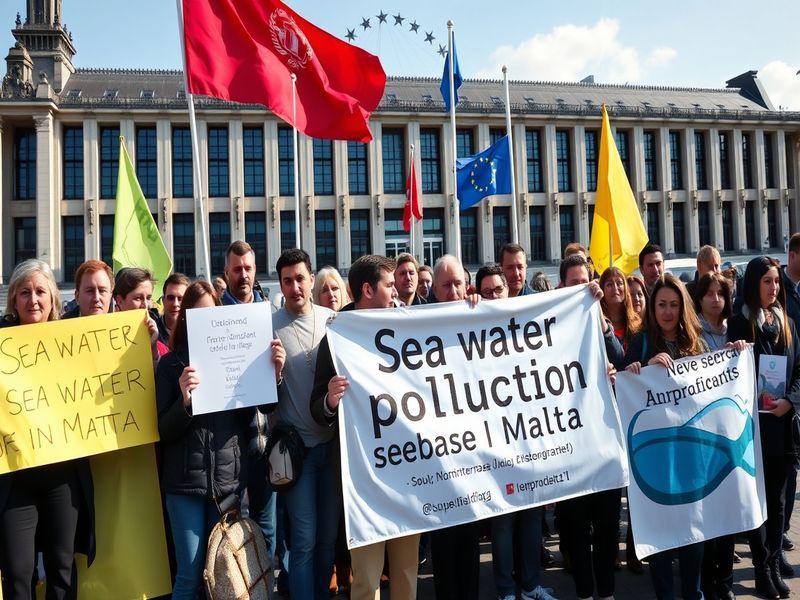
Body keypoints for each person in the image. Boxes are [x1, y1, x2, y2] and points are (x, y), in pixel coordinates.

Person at [156, 281, 285, 600]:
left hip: (226, 486)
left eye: (211, 314)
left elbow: (266, 407)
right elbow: (163, 430)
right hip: (184, 485)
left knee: (224, 576)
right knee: (189, 575)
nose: (205, 322)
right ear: (185, 319)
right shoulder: (171, 366)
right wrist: (184, 402)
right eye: (197, 315)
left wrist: (274, 374)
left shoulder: (236, 356)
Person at [311, 254, 423, 600]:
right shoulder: (335, 339)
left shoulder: (408, 327)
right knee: (367, 577)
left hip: (408, 470)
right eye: (389, 285)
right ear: (367, 290)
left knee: (405, 570)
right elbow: (317, 408)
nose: (396, 292)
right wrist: (329, 399)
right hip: (364, 479)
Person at [0, 259, 96, 600]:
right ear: (13, 300)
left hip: (62, 479)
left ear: (54, 300)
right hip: (15, 481)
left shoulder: (74, 341)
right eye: (24, 293)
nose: (33, 300)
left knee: (62, 570)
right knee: (17, 572)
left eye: (41, 292)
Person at [625, 274, 710, 600]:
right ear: (653, 307)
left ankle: (694, 592)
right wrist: (641, 367)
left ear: (683, 307)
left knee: (693, 529)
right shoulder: (642, 341)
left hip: (691, 452)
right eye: (661, 304)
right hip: (657, 454)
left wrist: (734, 354)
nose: (668, 311)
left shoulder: (696, 343)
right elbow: (622, 379)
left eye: (674, 305)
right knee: (661, 530)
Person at [728, 256, 800, 599]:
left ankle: (773, 562)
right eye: (767, 281)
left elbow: (799, 370)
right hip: (754, 430)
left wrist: (790, 401)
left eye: (776, 281)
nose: (774, 287)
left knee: (781, 501)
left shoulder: (785, 322)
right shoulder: (739, 325)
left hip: (783, 427)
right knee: (758, 502)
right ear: (753, 284)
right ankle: (761, 566)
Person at [272, 249, 340, 600]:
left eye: (300, 278)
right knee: (304, 541)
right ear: (280, 285)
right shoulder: (268, 327)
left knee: (327, 538)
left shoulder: (334, 320)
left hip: (333, 449)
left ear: (311, 279)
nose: (295, 286)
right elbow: (264, 399)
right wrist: (276, 374)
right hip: (297, 454)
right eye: (288, 281)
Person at [218, 241, 274, 564]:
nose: (243, 275)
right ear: (226, 272)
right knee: (231, 541)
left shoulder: (267, 314)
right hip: (228, 450)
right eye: (237, 269)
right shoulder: (213, 318)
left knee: (266, 533)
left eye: (248, 268)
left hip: (263, 442)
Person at [692, 273, 736, 599]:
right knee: (707, 515)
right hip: (703, 439)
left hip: (731, 434)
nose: (715, 299)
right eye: (709, 293)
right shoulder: (692, 335)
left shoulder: (735, 332)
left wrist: (741, 354)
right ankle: (708, 579)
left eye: (720, 293)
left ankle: (726, 580)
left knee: (729, 512)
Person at [161, 272, 191, 340]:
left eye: (180, 299)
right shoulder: (151, 330)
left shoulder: (194, 331)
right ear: (163, 300)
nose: (175, 304)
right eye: (170, 298)